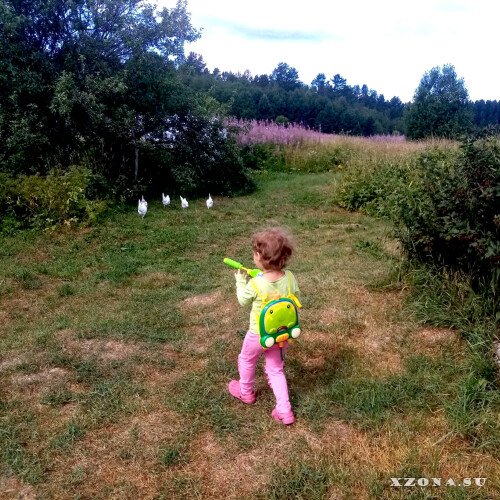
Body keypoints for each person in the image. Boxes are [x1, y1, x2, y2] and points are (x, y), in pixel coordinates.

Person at [228, 227, 301, 425]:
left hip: (257, 334)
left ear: (261, 258)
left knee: (246, 359)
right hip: (280, 334)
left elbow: (243, 301)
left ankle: (245, 392)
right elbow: (295, 296)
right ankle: (284, 410)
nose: (253, 256)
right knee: (276, 369)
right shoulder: (290, 277)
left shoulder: (256, 284)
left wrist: (240, 282)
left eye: (255, 253)